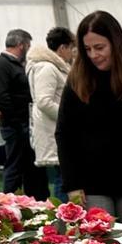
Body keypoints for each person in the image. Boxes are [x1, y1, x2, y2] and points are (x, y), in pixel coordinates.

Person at [55, 11, 122, 223]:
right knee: (98, 239)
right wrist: (72, 184)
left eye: (99, 48)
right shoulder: (77, 81)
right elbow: (64, 134)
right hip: (91, 184)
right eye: (87, 49)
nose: (93, 55)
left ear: (116, 43)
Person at [0, 28, 48, 199]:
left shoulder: (12, 64)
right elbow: (1, 97)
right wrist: (17, 121)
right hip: (15, 125)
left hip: (22, 123)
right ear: (21, 45)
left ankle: (34, 199)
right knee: (15, 166)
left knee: (30, 165)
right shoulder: (1, 65)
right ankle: (8, 201)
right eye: (28, 45)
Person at [27, 26, 75, 201]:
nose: (72, 53)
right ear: (62, 48)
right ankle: (63, 212)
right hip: (53, 130)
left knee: (64, 176)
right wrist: (68, 118)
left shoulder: (52, 67)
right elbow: (44, 101)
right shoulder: (47, 68)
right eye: (71, 48)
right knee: (63, 178)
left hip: (56, 128)